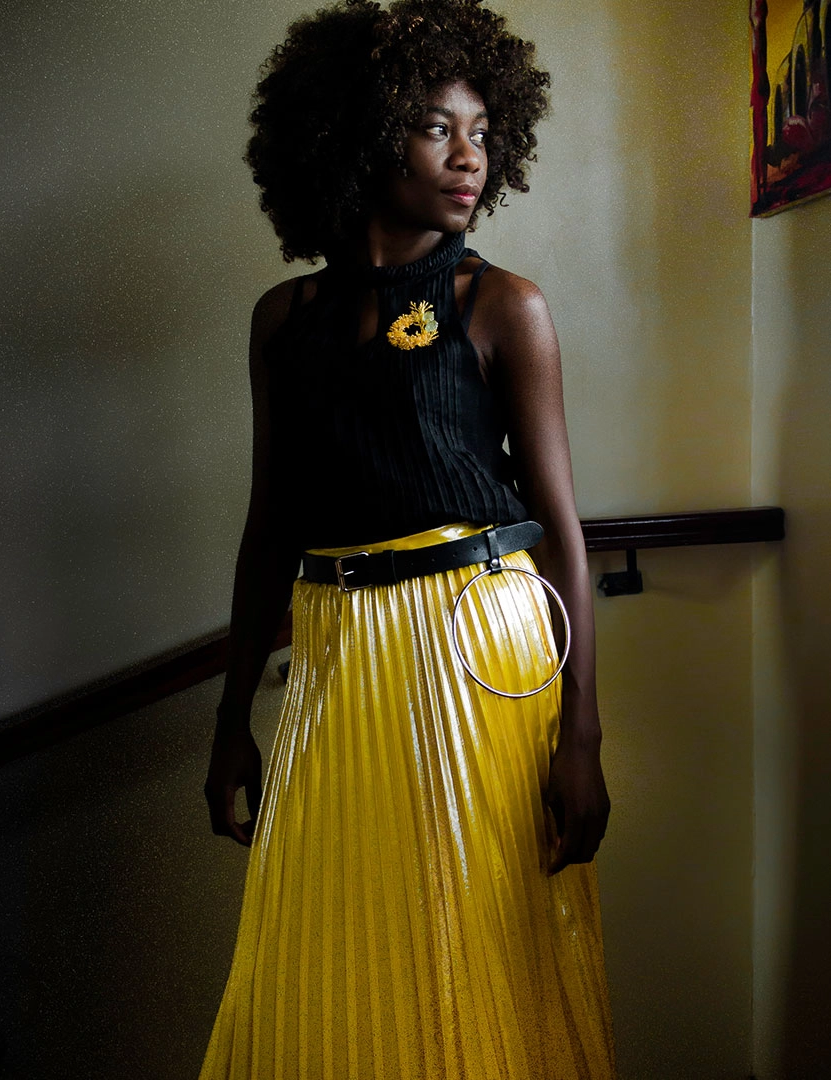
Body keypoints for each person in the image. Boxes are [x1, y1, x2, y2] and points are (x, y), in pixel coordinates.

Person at [200, 1, 615, 1076]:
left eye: (482, 131)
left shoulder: (503, 306)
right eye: (436, 128)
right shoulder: (283, 320)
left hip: (479, 649)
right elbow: (270, 524)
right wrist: (232, 717)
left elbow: (561, 530)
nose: (469, 156)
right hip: (335, 652)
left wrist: (581, 737)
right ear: (358, 134)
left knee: (473, 936)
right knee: (334, 939)